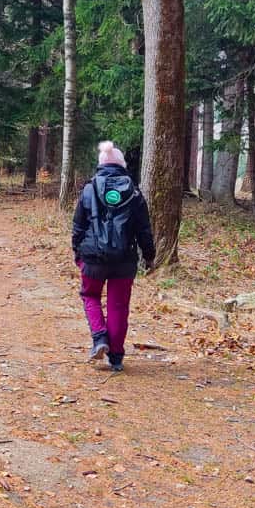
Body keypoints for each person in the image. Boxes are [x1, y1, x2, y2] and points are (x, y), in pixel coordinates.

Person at [71, 141, 156, 372]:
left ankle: (100, 339)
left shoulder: (89, 189)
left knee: (90, 295)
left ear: (101, 165)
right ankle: (116, 358)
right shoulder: (135, 192)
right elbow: (144, 230)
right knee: (118, 306)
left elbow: (78, 225)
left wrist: (77, 252)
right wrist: (149, 256)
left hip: (92, 259)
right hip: (124, 260)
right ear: (121, 165)